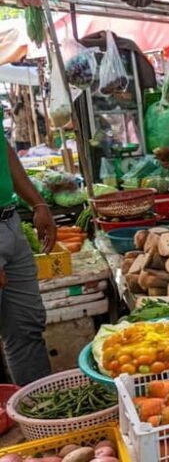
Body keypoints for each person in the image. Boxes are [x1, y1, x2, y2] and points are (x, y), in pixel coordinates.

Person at [0, 124, 55, 385]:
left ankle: (38, 409)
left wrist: (38, 203)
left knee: (26, 327)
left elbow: (4, 150)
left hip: (9, 221)